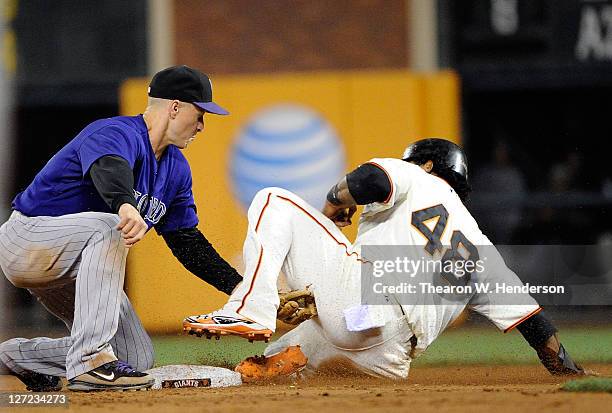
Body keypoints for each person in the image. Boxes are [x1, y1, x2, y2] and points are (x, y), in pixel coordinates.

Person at [183, 138, 586, 380]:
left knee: (272, 199)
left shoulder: (417, 176)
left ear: (428, 164)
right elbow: (538, 328)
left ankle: (254, 308)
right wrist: (568, 373)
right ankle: (275, 360)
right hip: (387, 353)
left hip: (363, 307)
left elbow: (368, 181)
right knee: (292, 351)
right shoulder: (481, 250)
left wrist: (333, 204)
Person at [0, 65, 243, 391]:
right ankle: (89, 362)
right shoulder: (117, 133)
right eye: (199, 114)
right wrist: (124, 203)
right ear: (174, 107)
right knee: (109, 226)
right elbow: (109, 168)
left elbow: (187, 243)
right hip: (29, 240)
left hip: (77, 266)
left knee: (136, 358)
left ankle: (17, 357)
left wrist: (242, 289)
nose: (202, 125)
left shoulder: (176, 170)